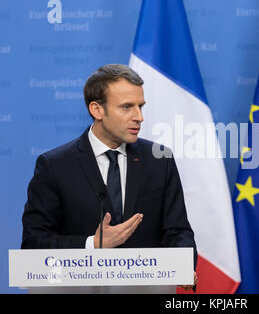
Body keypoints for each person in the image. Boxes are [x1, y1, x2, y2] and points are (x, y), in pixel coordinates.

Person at [21, 64, 197, 290]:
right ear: (97, 110)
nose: (139, 117)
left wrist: (182, 265)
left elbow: (178, 231)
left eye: (140, 106)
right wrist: (92, 244)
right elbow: (34, 243)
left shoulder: (160, 160)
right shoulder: (55, 166)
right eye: (127, 107)